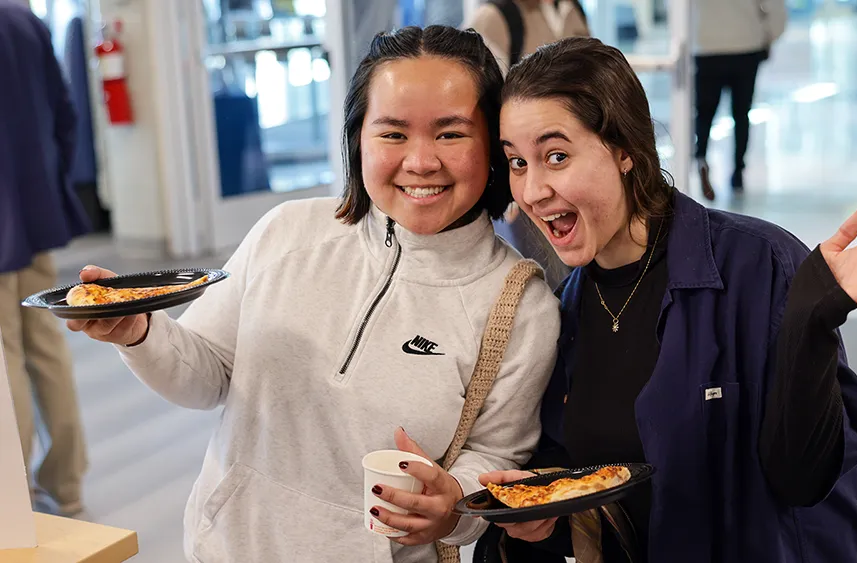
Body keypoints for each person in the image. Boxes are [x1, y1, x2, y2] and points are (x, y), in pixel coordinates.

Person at [68, 26, 559, 562]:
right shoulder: (287, 230)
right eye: (392, 134)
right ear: (358, 139)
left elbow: (493, 455)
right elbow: (203, 375)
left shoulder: (520, 304)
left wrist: (455, 504)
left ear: (493, 144)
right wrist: (139, 331)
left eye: (449, 134)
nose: (420, 162)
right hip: (229, 548)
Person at [476, 37, 857, 562]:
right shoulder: (565, 309)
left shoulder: (761, 264)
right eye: (517, 163)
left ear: (625, 150)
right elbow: (593, 483)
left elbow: (805, 477)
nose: (533, 189)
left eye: (557, 156)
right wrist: (538, 511)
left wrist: (810, 321)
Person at [0, 0, 90, 518]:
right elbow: (65, 112)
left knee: (3, 351)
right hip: (34, 209)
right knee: (45, 342)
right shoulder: (22, 18)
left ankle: (16, 488)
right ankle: (67, 480)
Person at [468, 0, 589, 289]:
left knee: (583, 280)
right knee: (548, 286)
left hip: (577, 171)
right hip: (528, 183)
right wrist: (502, 187)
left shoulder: (572, 9)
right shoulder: (495, 18)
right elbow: (481, 110)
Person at [693, 0, 786, 199]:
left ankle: (701, 157)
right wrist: (768, 37)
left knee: (705, 112)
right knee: (741, 114)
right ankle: (738, 172)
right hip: (746, 45)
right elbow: (775, 7)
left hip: (706, 46)